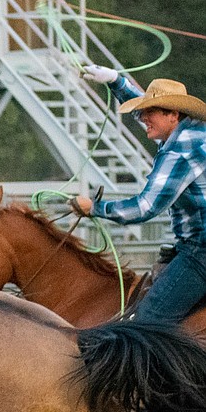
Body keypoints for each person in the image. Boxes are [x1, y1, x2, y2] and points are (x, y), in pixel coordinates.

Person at [72, 67, 206, 324]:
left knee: (146, 323)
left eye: (150, 111)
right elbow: (142, 114)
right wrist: (115, 81)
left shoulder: (180, 151)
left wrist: (95, 208)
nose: (143, 117)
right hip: (195, 245)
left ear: (173, 114)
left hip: (200, 250)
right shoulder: (189, 133)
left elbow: (145, 207)